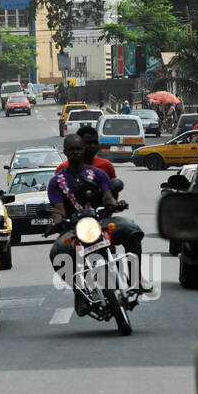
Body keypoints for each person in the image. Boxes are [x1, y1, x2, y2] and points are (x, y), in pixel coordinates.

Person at [45, 134, 144, 313]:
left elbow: (108, 196)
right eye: (71, 149)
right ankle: (79, 292)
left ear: (84, 150)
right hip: (75, 229)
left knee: (132, 229)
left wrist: (115, 204)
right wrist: (56, 222)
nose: (75, 152)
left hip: (102, 222)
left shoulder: (98, 174)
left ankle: (135, 279)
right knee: (56, 253)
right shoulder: (56, 182)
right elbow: (59, 209)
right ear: (65, 152)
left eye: (78, 148)